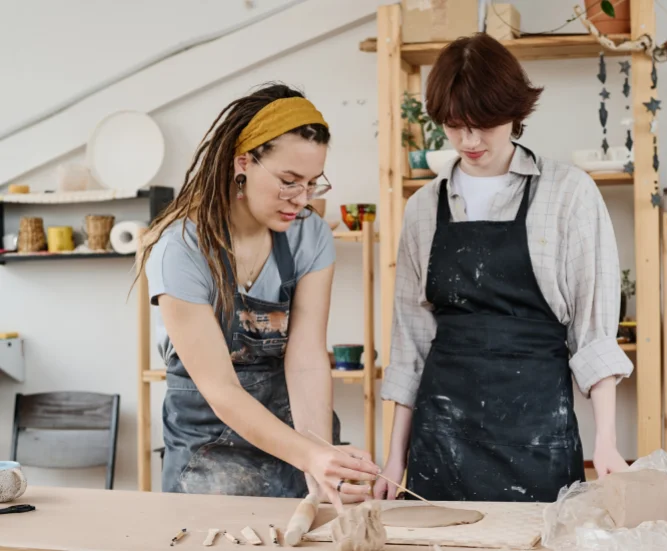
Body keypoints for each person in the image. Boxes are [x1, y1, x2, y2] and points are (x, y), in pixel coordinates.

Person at [374, 34, 633, 503]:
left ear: (514, 111)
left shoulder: (569, 194)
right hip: (441, 435)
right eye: (455, 126)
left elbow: (594, 335)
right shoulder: (423, 208)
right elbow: (410, 343)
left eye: (484, 125)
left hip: (537, 433)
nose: (469, 142)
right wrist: (395, 456)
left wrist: (607, 443)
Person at [136, 83, 379, 509]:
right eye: (289, 181)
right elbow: (222, 388)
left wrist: (318, 462)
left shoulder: (310, 236)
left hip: (296, 434)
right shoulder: (180, 250)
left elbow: (304, 362)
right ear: (243, 163)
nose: (301, 200)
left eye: (311, 184)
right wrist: (312, 456)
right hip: (210, 448)